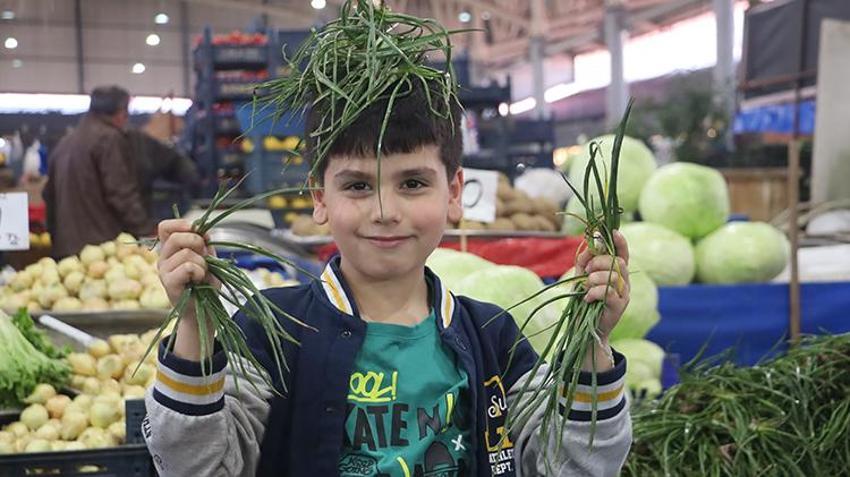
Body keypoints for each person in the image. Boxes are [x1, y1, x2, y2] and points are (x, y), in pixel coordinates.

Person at [144, 73, 633, 477]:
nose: (385, 210)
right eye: (357, 185)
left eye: (413, 183)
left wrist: (592, 342)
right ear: (319, 197)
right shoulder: (272, 330)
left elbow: (575, 467)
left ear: (454, 192)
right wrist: (195, 327)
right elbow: (195, 467)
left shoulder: (494, 337)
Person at [43, 86, 153, 258]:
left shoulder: (64, 143)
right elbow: (121, 193)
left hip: (66, 252)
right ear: (119, 113)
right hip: (99, 252)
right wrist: (146, 231)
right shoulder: (108, 138)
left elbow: (48, 197)